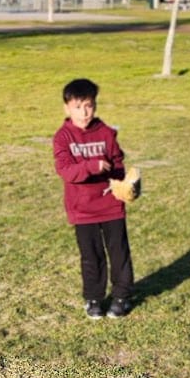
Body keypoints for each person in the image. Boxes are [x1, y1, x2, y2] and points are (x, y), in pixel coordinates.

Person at [53, 77, 135, 319]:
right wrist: (92, 166)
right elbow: (66, 171)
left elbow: (118, 164)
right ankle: (94, 299)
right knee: (91, 255)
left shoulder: (107, 133)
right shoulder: (63, 137)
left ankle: (121, 297)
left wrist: (126, 186)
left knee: (119, 252)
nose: (84, 112)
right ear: (67, 108)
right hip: (82, 208)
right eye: (78, 107)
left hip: (111, 205)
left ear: (95, 105)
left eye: (88, 105)